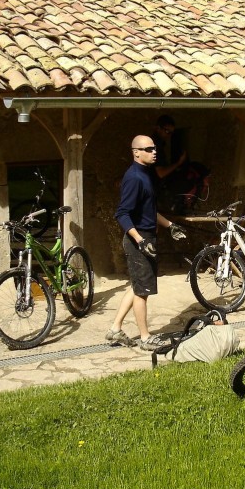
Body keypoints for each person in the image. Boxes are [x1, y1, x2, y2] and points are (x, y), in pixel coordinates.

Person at [107, 134, 187, 350]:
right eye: (149, 149)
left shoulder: (146, 174)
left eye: (154, 148)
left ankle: (115, 329)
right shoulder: (133, 177)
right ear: (136, 152)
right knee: (143, 291)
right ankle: (145, 338)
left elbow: (149, 210)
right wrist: (140, 240)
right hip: (139, 240)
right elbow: (122, 214)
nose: (154, 152)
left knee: (137, 286)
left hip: (147, 236)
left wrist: (170, 225)